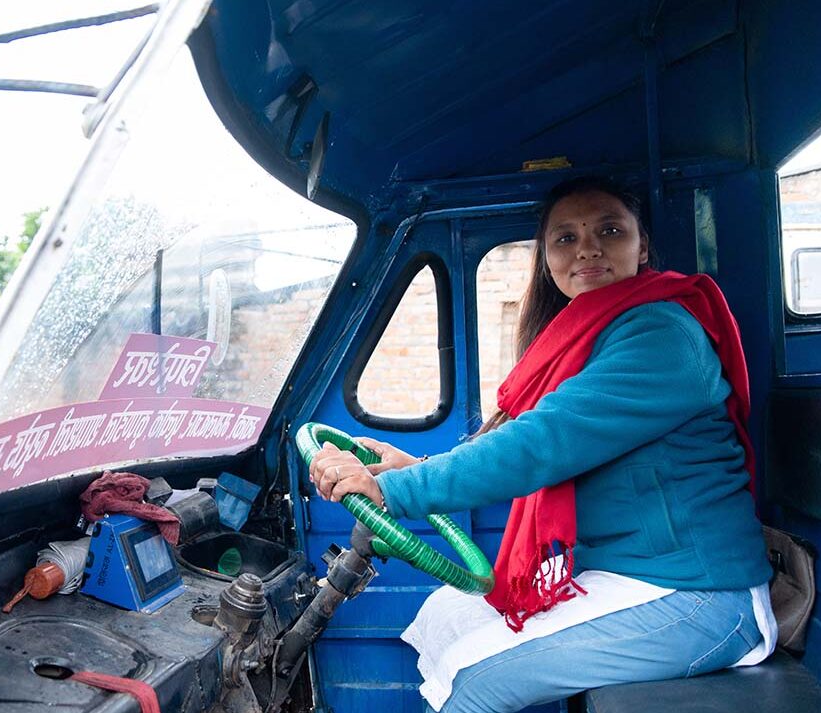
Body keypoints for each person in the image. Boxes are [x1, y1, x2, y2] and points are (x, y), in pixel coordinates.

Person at [308, 176, 775, 713]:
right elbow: (523, 439)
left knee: (474, 682)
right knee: (443, 616)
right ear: (547, 257)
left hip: (701, 596)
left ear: (641, 246)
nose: (588, 248)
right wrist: (418, 464)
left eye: (610, 230)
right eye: (566, 238)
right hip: (625, 574)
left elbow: (543, 442)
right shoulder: (587, 335)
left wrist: (395, 488)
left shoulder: (661, 334)